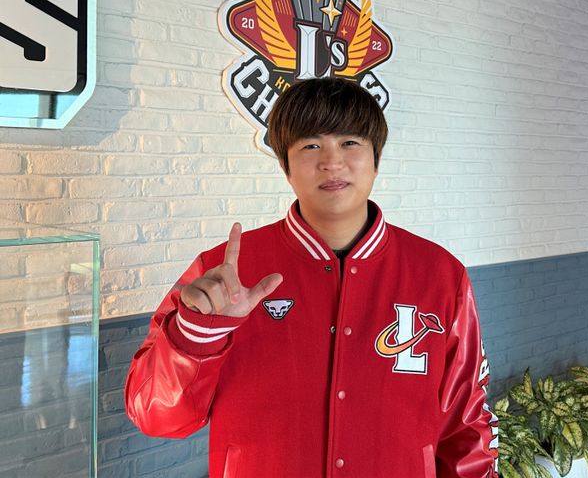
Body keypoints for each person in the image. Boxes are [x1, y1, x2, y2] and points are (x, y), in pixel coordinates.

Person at [125, 78, 499, 477]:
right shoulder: (222, 275)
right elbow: (155, 415)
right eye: (310, 145)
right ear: (285, 167)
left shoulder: (440, 274)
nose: (332, 162)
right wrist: (198, 334)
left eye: (350, 142)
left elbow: (467, 425)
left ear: (376, 159)